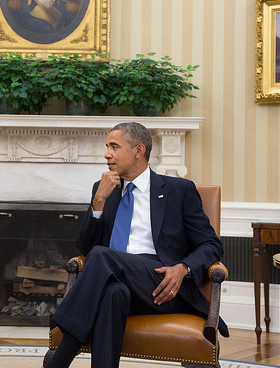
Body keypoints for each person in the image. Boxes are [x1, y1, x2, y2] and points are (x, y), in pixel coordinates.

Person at [45, 122, 228, 368]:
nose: (106, 154)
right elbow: (84, 248)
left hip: (162, 283)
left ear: (139, 150)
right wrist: (98, 201)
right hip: (115, 278)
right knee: (113, 292)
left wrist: (183, 267)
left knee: (102, 255)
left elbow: (211, 244)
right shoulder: (104, 191)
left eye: (114, 146)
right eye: (107, 147)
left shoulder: (178, 190)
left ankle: (59, 360)